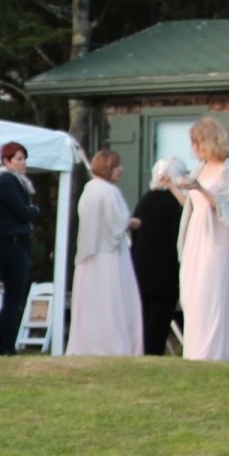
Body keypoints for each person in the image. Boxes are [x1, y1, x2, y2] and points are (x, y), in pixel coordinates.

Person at [172, 118, 229, 362]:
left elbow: (228, 207)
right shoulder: (200, 168)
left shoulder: (228, 169)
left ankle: (213, 352)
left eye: (197, 142)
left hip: (216, 239)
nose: (194, 147)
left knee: (210, 292)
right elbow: (191, 205)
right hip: (196, 237)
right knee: (193, 293)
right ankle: (194, 351)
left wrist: (201, 189)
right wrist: (173, 187)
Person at [68, 149, 144, 356]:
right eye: (117, 166)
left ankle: (89, 345)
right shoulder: (109, 192)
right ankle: (114, 344)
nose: (121, 170)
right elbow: (117, 224)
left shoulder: (89, 190)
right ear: (108, 167)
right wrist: (132, 222)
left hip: (89, 256)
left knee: (92, 305)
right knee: (113, 302)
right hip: (109, 256)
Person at [0, 142, 40, 354]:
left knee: (13, 296)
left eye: (24, 158)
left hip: (15, 241)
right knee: (13, 297)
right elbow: (20, 211)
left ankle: (4, 344)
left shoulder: (10, 180)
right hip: (12, 243)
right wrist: (33, 210)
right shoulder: (6, 180)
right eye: (18, 159)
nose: (23, 163)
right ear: (6, 161)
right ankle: (4, 346)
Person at [131, 157, 185, 356]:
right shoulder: (174, 205)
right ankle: (154, 352)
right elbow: (176, 239)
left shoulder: (144, 200)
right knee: (160, 319)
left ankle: (142, 352)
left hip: (141, 267)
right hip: (165, 270)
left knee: (144, 317)